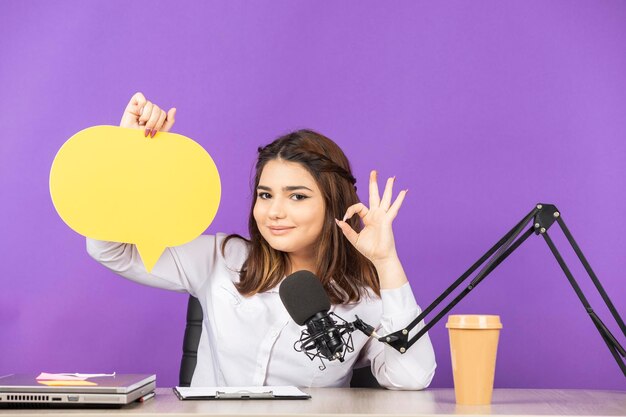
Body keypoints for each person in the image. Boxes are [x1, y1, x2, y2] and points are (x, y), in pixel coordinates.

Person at [86, 92, 436, 389]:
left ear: (335, 204)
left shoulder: (365, 300)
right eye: (265, 195)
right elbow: (109, 249)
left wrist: (387, 263)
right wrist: (128, 154)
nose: (274, 212)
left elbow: (412, 375)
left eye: (297, 196)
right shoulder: (221, 258)